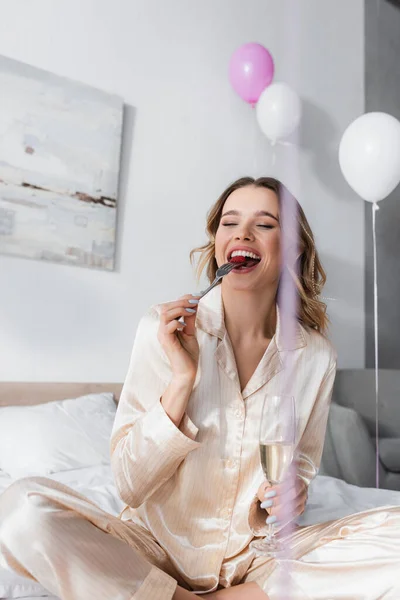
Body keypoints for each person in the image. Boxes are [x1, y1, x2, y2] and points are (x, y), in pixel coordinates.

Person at [0, 177, 399, 600]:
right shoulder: (163, 329)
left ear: (294, 249)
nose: (242, 233)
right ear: (217, 242)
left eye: (264, 224)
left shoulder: (316, 357)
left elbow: (298, 465)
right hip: (152, 551)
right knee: (20, 510)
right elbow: (130, 485)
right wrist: (181, 380)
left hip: (258, 557)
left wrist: (293, 495)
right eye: (230, 223)